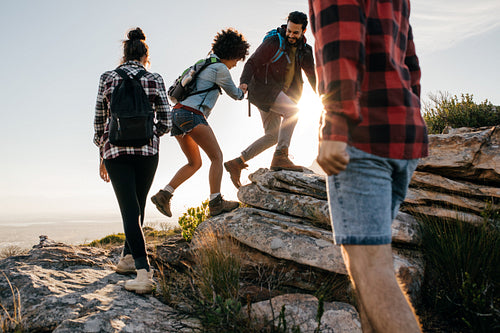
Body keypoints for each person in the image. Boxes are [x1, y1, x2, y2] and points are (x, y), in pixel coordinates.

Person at [309, 1, 428, 332]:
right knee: (371, 266)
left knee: (371, 269)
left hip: (364, 135)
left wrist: (334, 124)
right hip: (401, 133)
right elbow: (411, 62)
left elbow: (341, 45)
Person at [94, 27, 171, 294]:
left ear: (124, 53)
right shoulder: (155, 78)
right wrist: (152, 134)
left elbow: (99, 121)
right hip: (148, 153)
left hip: (116, 151)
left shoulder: (107, 77)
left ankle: (143, 273)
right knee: (136, 207)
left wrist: (102, 152)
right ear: (145, 56)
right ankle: (128, 259)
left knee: (130, 209)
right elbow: (166, 119)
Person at [151, 28, 250, 218]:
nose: (236, 64)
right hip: (192, 114)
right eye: (237, 59)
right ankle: (216, 202)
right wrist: (243, 88)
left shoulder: (203, 63)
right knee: (217, 157)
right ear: (231, 53)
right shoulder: (220, 68)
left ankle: (164, 194)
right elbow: (236, 95)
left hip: (177, 114)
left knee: (194, 162)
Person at [223, 11, 317, 189]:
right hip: (262, 90)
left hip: (272, 93)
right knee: (294, 112)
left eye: (295, 32)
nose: (290, 35)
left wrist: (321, 96)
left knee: (273, 135)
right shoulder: (274, 42)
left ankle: (237, 162)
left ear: (303, 31)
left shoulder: (305, 50)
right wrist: (243, 83)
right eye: (289, 30)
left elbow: (311, 75)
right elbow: (252, 62)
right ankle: (281, 155)